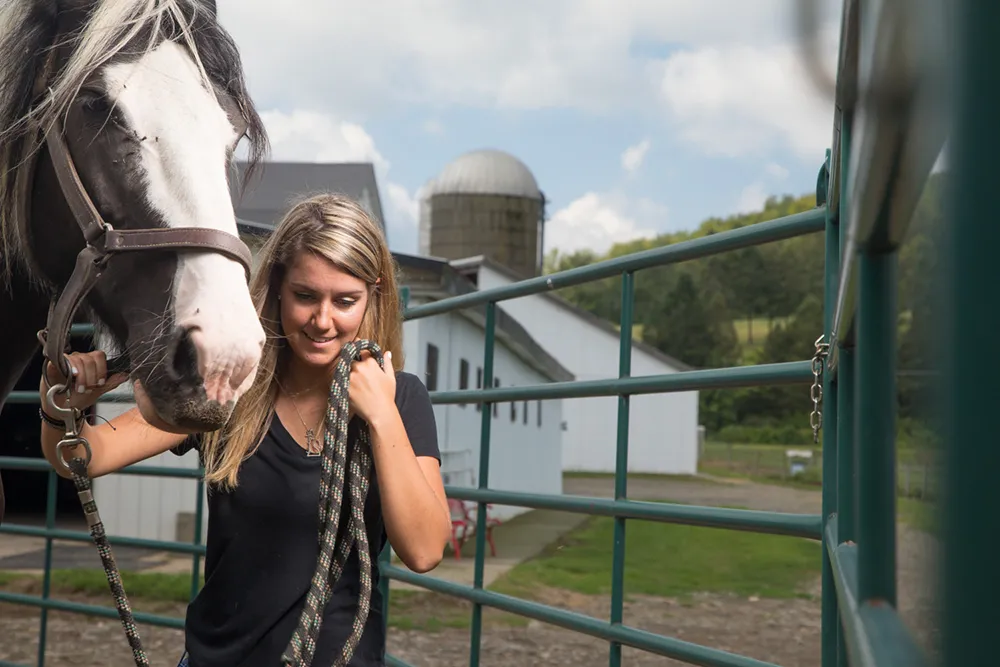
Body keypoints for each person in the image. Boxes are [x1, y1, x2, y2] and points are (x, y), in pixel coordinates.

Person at [37, 193, 451, 667]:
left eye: (345, 301)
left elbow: (424, 551)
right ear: (277, 288)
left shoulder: (401, 399)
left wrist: (380, 415)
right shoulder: (228, 385)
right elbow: (82, 457)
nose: (323, 321)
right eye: (305, 296)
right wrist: (60, 404)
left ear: (372, 296)